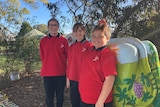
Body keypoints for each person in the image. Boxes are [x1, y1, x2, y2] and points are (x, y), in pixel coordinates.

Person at [79, 19, 117, 107]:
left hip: (98, 102)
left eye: (100, 36)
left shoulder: (107, 54)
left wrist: (100, 102)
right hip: (85, 99)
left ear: (107, 38)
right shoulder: (90, 51)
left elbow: (110, 79)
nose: (96, 39)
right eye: (94, 36)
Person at [39, 18, 69, 107]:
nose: (53, 27)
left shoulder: (64, 40)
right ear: (48, 27)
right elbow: (42, 57)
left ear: (58, 26)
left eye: (55, 25)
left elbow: (68, 57)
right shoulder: (43, 41)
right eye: (51, 25)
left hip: (61, 73)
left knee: (60, 96)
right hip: (47, 74)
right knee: (49, 97)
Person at [66, 22, 93, 107]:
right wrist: (68, 78)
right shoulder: (72, 47)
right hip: (73, 79)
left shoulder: (90, 45)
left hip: (85, 80)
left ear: (84, 31)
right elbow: (69, 64)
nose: (78, 33)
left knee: (84, 103)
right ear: (73, 33)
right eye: (75, 31)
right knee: (75, 102)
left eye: (80, 31)